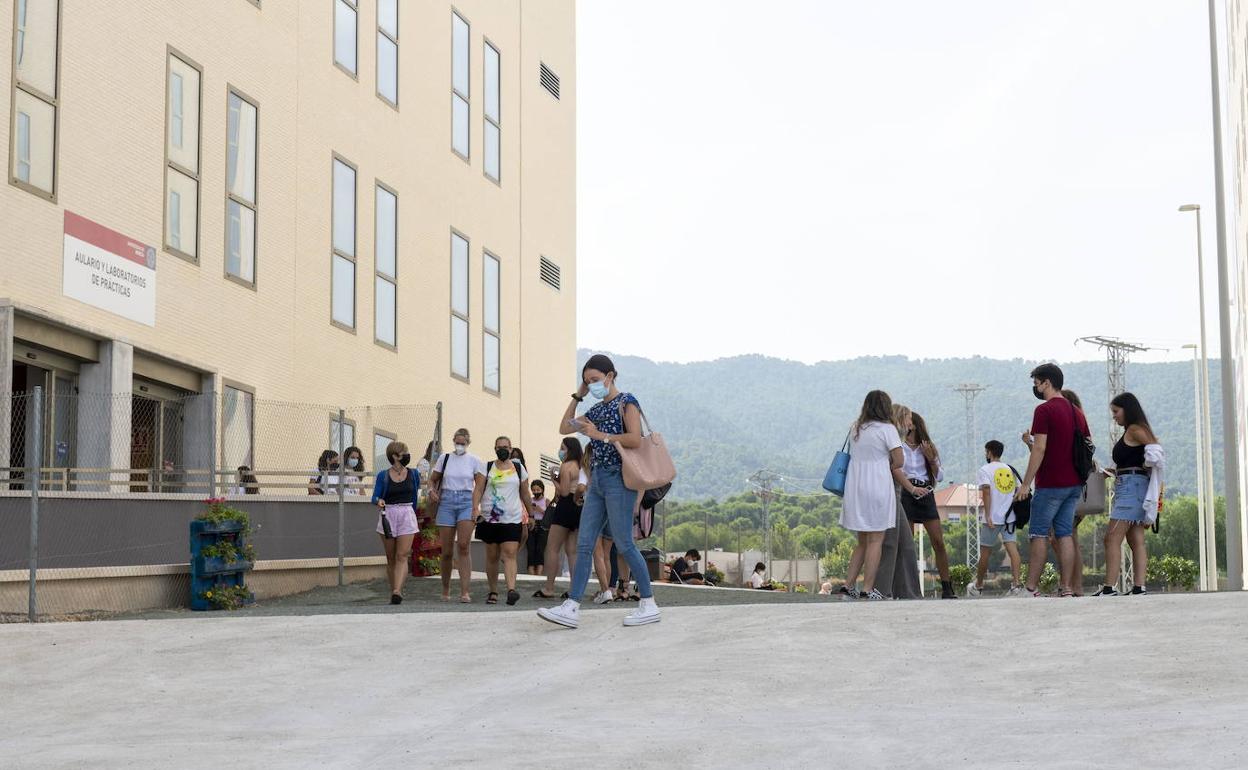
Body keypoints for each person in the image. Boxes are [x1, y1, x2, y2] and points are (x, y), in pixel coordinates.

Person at [538, 354, 661, 628]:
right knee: (584, 544)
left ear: (610, 376)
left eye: (594, 380)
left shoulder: (627, 402)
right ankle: (572, 606)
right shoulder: (594, 411)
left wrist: (600, 436)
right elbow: (563, 427)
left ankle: (648, 602)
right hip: (597, 482)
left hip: (620, 479)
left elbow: (634, 438)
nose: (591, 385)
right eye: (587, 381)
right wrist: (578, 395)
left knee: (624, 543)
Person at [1015, 363, 1092, 598]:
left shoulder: (1044, 410)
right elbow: (1087, 444)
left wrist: (1026, 483)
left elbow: (1040, 448)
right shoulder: (1076, 412)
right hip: (1074, 484)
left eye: (1037, 383)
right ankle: (1066, 587)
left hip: (1050, 483)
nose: (1036, 388)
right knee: (1064, 533)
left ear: (1047, 382)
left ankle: (1030, 588)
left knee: (1038, 533)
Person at [839, 391, 916, 601]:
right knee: (876, 540)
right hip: (877, 485)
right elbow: (899, 461)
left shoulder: (855, 427)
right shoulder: (888, 429)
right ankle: (868, 589)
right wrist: (882, 464)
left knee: (862, 541)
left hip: (855, 486)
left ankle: (848, 586)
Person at [1095, 393, 1160, 596]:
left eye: (1116, 411)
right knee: (1135, 538)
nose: (1114, 416)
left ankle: (1109, 587)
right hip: (1133, 483)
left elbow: (1156, 451)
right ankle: (1139, 587)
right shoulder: (1135, 429)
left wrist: (1147, 464)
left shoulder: (1135, 429)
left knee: (1112, 537)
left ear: (1127, 409)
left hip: (1131, 488)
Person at [900, 411, 955, 599]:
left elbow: (940, 477)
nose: (903, 424)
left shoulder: (928, 446)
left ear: (913, 425)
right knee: (908, 544)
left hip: (926, 493)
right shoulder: (898, 446)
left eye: (906, 421)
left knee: (938, 542)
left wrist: (931, 459)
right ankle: (908, 587)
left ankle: (947, 587)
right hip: (906, 492)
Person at [473, 435, 533, 606]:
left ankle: (511, 590)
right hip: (489, 518)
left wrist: (531, 514)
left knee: (510, 554)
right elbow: (478, 489)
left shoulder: (518, 468)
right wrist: (474, 508)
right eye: (499, 447)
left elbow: (525, 493)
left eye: (506, 447)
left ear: (510, 449)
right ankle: (493, 591)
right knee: (492, 555)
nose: (502, 450)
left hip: (512, 518)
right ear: (495, 448)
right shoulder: (486, 467)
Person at [429, 428, 485, 602]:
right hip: (446, 501)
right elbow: (433, 479)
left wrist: (476, 507)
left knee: (463, 545)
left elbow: (480, 486)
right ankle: (445, 590)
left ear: (468, 443)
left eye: (463, 443)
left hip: (466, 501)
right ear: (453, 441)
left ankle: (464, 591)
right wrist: (431, 490)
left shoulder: (475, 460)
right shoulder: (444, 458)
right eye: (457, 442)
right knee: (446, 550)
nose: (459, 445)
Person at [875, 404, 923, 600]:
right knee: (892, 543)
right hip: (890, 493)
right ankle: (883, 590)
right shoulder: (892, 435)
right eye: (909, 419)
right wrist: (912, 488)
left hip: (894, 493)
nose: (911, 424)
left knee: (905, 544)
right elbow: (896, 466)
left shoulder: (888, 435)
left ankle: (906, 592)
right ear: (900, 418)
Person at [534, 437, 588, 599]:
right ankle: (573, 588)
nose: (561, 451)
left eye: (563, 448)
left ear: (569, 449)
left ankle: (549, 588)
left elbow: (563, 492)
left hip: (565, 506)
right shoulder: (582, 466)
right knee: (572, 551)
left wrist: (553, 479)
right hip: (579, 506)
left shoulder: (566, 466)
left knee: (552, 548)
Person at [969, 440, 1024, 596]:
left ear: (989, 452)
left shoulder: (984, 470)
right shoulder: (1009, 469)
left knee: (985, 552)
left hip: (991, 519)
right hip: (1009, 518)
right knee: (1013, 550)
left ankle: (978, 586)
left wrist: (988, 514)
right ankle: (1016, 585)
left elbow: (986, 491)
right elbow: (1020, 491)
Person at [370, 441, 421, 605]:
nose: (407, 455)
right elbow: (374, 496)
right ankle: (394, 589)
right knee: (391, 557)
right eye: (404, 452)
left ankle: (397, 590)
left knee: (402, 555)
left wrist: (415, 513)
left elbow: (415, 495)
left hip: (406, 513)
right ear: (395, 456)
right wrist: (378, 501)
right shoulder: (383, 475)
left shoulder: (413, 474)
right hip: (388, 514)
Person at [527, 479, 550, 576]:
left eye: (538, 490)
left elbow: (550, 516)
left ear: (542, 490)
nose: (536, 492)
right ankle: (531, 574)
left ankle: (539, 575)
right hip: (531, 524)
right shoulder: (529, 501)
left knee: (540, 550)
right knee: (531, 549)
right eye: (534, 490)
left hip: (543, 525)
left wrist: (540, 510)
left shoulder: (546, 501)